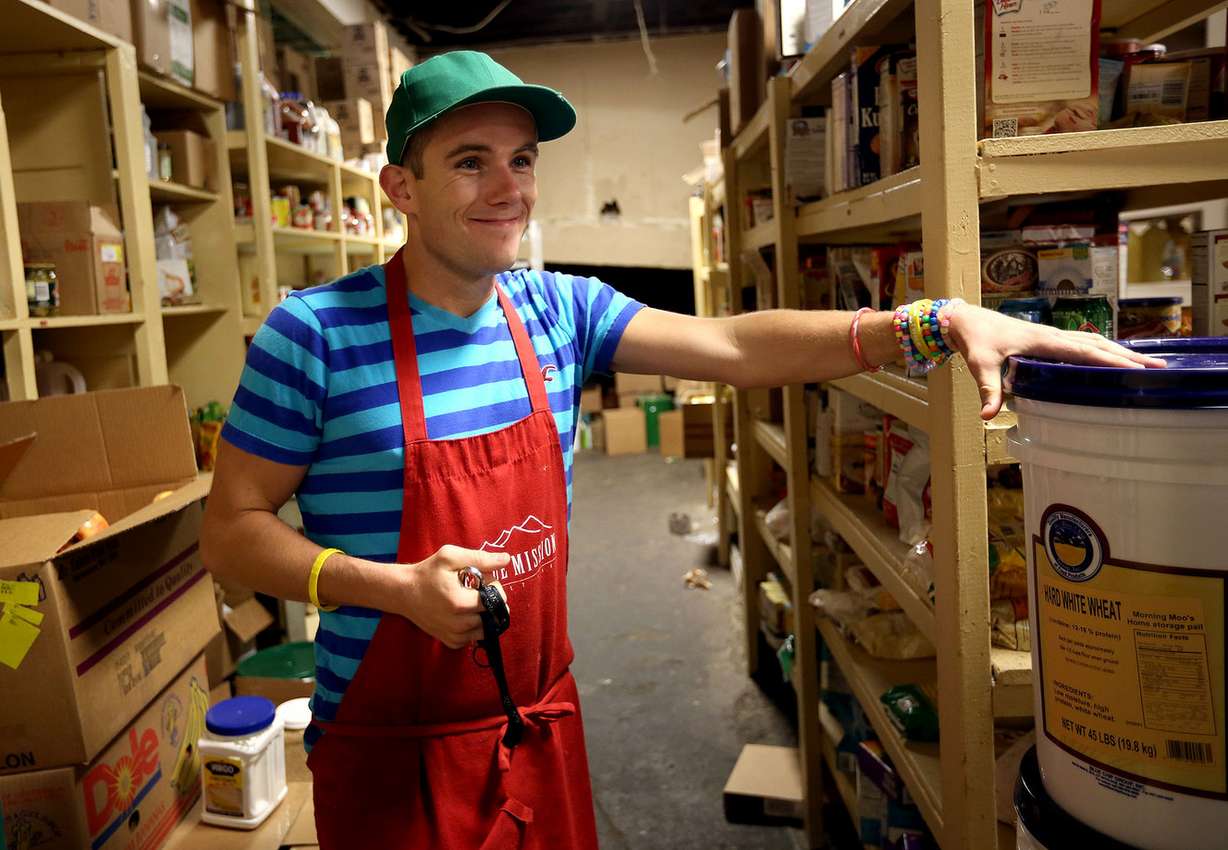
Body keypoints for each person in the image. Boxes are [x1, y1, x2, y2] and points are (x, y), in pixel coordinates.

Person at [200, 51, 1161, 849]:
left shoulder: (556, 312)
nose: (509, 190)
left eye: (524, 160)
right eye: (471, 162)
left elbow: (736, 347)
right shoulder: (314, 336)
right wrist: (392, 587)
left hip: (538, 724)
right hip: (393, 751)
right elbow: (232, 534)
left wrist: (935, 320)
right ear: (398, 187)